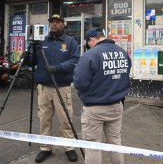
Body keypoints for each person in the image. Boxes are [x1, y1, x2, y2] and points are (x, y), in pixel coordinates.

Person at [73, 28, 131, 164]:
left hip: (94, 108)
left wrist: (84, 94)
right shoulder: (122, 52)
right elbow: (125, 75)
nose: (89, 46)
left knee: (93, 147)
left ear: (92, 40)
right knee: (115, 143)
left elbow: (79, 83)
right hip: (117, 106)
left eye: (88, 43)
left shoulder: (90, 55)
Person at [28, 13, 80, 163]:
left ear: (63, 24)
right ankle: (46, 148)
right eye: (52, 22)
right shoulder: (41, 40)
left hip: (62, 87)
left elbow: (75, 60)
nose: (54, 24)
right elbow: (31, 63)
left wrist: (57, 68)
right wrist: (31, 49)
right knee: (44, 118)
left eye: (57, 22)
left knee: (65, 119)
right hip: (43, 87)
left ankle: (69, 147)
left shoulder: (70, 42)